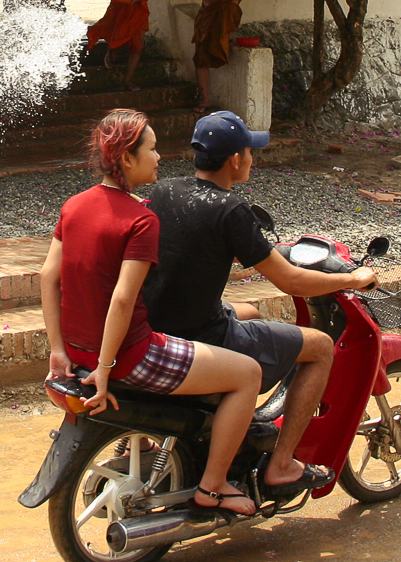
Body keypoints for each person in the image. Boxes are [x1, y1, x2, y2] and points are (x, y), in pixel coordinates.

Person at [142, 110, 378, 495]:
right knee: (318, 347)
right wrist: (353, 278)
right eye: (251, 151)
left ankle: (231, 424)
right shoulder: (232, 211)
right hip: (201, 335)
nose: (254, 158)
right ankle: (281, 465)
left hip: (162, 325)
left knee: (251, 312)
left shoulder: (167, 190)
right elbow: (292, 282)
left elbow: (191, 248)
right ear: (235, 159)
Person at [41, 109, 263, 516]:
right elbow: (123, 299)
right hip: (131, 355)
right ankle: (213, 487)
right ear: (127, 158)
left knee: (241, 316)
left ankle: (144, 441)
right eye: (153, 149)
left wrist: (59, 349)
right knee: (248, 373)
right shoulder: (141, 219)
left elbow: (47, 276)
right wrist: (107, 369)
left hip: (77, 354)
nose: (160, 157)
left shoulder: (74, 206)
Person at [192, 0, 259, 113]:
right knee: (200, 59)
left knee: (228, 7)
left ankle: (225, 39)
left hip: (225, 15)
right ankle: (204, 98)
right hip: (206, 16)